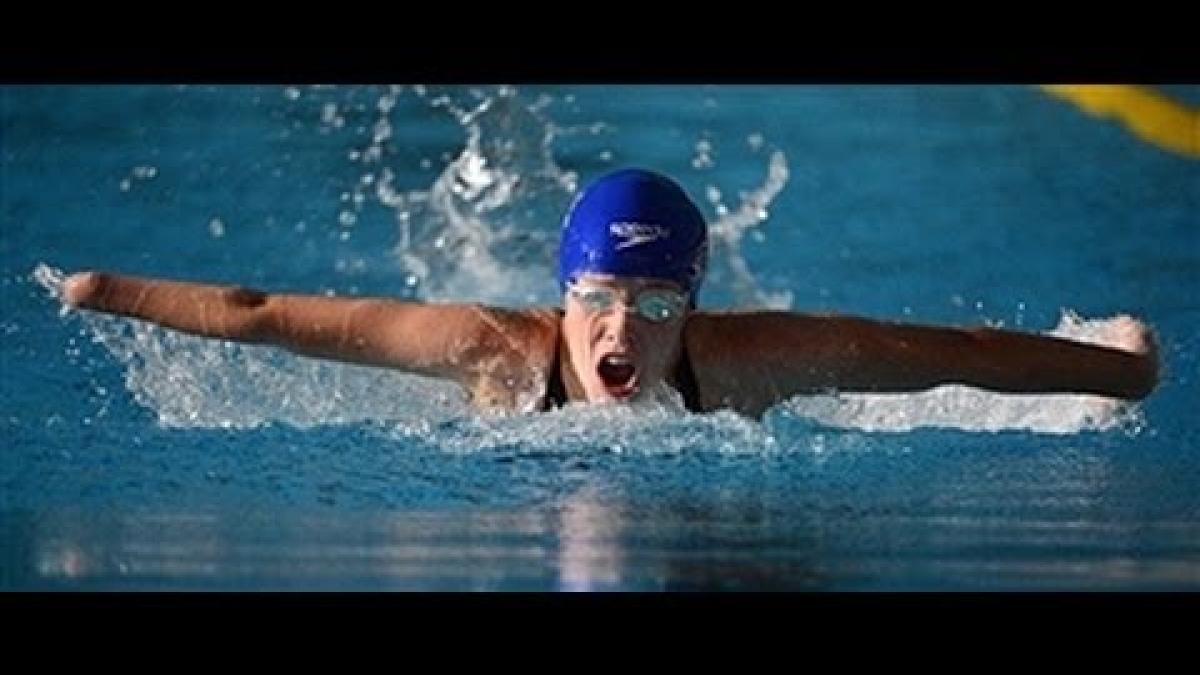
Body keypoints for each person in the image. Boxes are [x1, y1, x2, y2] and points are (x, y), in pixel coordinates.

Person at [62, 168, 1160, 419]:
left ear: (693, 302)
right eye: (598, 298)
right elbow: (263, 315)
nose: (622, 328)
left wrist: (1122, 371)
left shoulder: (754, 360)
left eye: (657, 304)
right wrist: (110, 291)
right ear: (562, 294)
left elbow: (952, 353)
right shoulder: (494, 351)